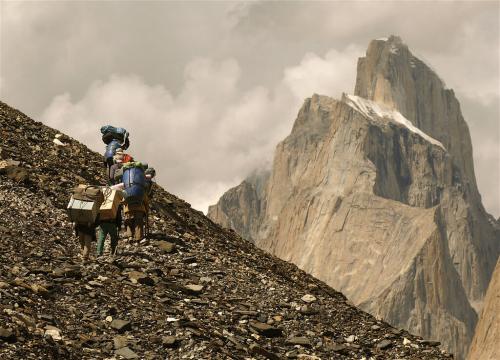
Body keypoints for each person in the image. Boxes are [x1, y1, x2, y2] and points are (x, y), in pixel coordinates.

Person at [97, 190, 123, 257]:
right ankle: (113, 252)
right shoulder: (116, 204)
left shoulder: (102, 201)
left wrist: (98, 222)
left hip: (102, 223)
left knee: (101, 238)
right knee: (113, 238)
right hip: (112, 223)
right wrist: (119, 226)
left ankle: (99, 253)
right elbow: (118, 216)